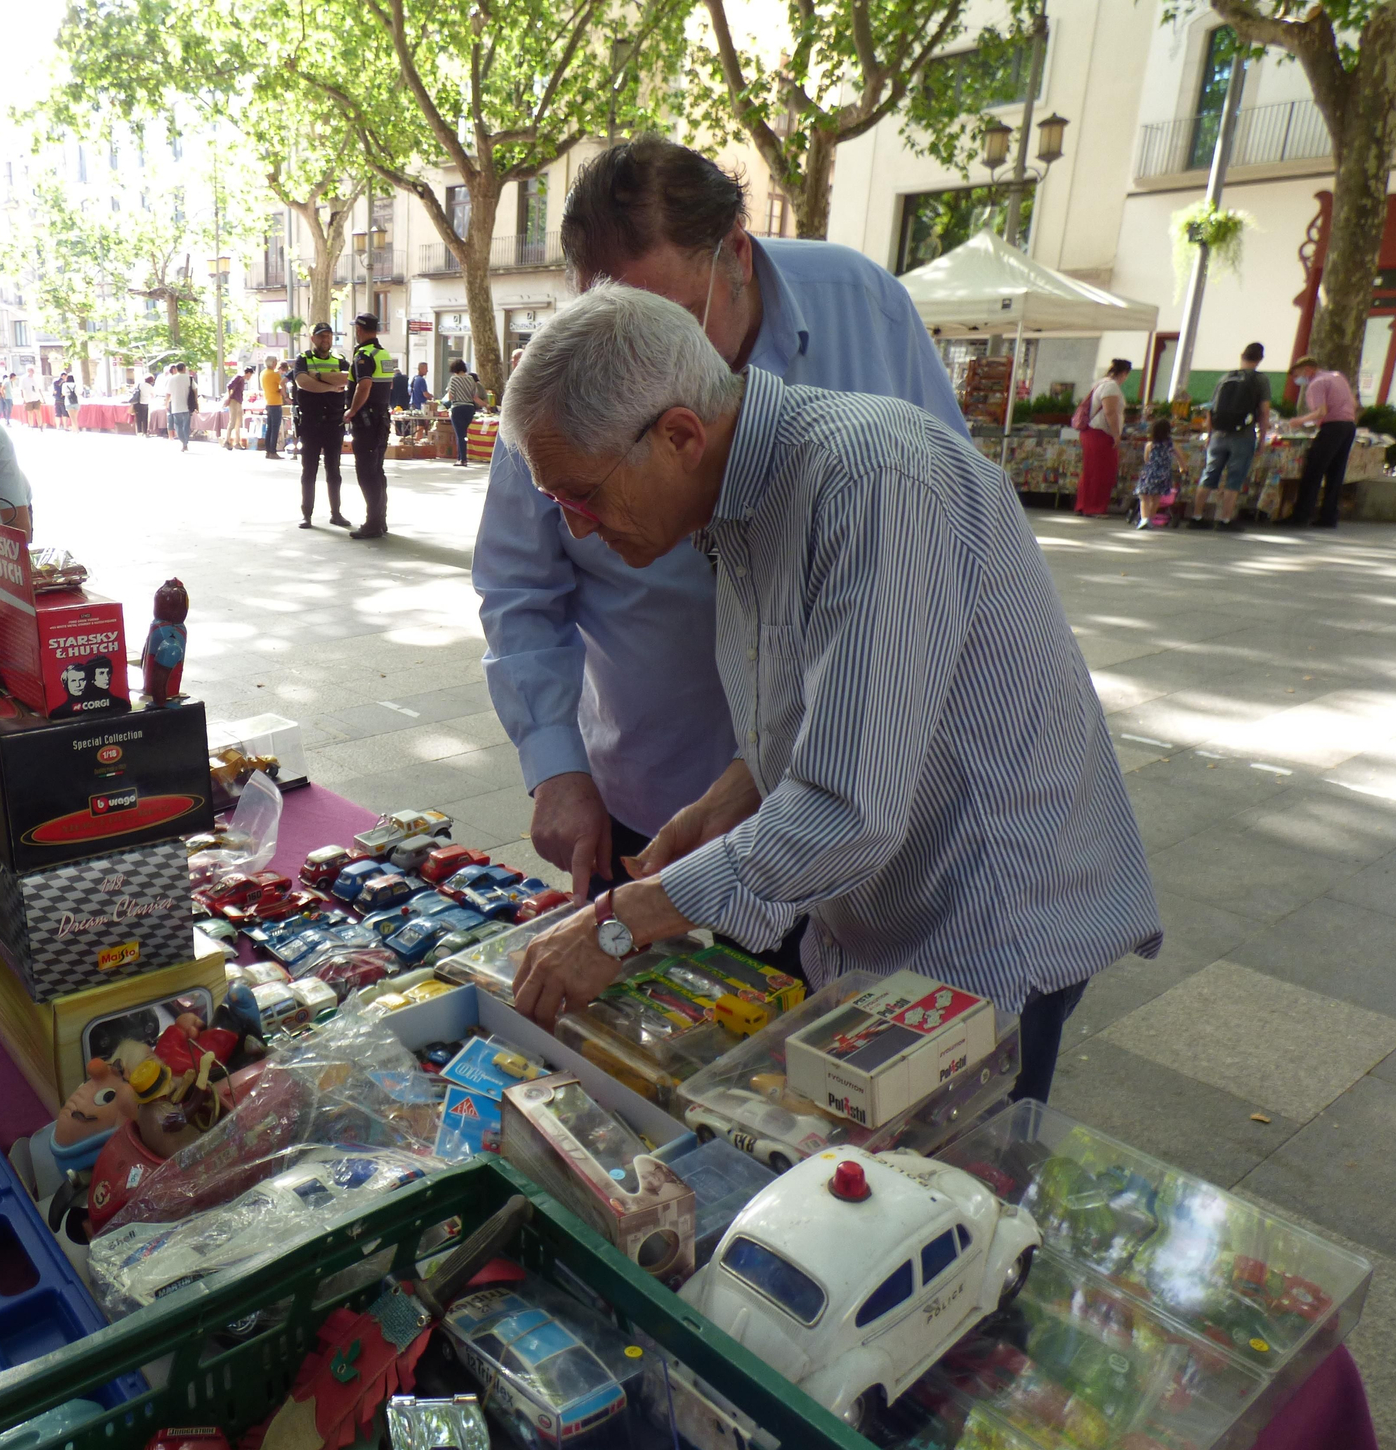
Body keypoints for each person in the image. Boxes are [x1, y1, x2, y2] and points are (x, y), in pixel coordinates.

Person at [500, 284, 1161, 1105]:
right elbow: (836, 695)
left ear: (678, 436)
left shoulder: (873, 481)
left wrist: (623, 919)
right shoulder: (740, 500)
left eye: (582, 495)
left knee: (946, 1197)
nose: (577, 528)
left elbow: (849, 805)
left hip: (985, 922)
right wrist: (731, 796)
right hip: (883, 916)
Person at [475, 137, 970, 920]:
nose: (639, 361)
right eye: (607, 320)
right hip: (660, 782)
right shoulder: (575, 368)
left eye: (662, 321)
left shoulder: (870, 364)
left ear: (735, 255)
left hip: (865, 817)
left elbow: (851, 786)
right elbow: (518, 586)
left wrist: (634, 921)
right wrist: (556, 765)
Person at [1187, 342, 1272, 531]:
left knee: (1209, 475)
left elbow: (1211, 408)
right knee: (1234, 478)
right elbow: (1264, 412)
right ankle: (1225, 520)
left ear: (1242, 356)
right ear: (1259, 360)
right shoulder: (1261, 380)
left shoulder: (1225, 377)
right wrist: (1262, 438)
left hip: (1219, 434)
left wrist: (1210, 434)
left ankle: (1196, 516)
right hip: (1243, 435)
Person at [1289, 355, 1358, 529]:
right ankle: (1329, 516)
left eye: (1298, 375)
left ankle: (1301, 515)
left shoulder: (1316, 383)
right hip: (1348, 426)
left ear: (1307, 370)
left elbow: (1321, 411)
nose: (1298, 380)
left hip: (1332, 427)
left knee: (1314, 471)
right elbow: (1354, 403)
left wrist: (1299, 421)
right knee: (1336, 472)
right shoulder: (1337, 376)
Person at [293, 324, 351, 528]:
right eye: (321, 336)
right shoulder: (303, 359)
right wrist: (331, 386)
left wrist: (316, 377)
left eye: (328, 336)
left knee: (333, 470)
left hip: (334, 423)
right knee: (308, 470)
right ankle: (306, 515)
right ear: (313, 339)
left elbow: (346, 379)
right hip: (310, 422)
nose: (325, 340)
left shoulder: (341, 361)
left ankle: (336, 513)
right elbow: (302, 382)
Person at [346, 312, 395, 539]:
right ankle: (380, 520)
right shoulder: (383, 354)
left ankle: (373, 523)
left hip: (367, 422)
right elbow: (388, 385)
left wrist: (352, 410)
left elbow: (364, 385)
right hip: (382, 420)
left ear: (359, 330)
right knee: (377, 471)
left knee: (366, 472)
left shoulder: (364, 355)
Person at [1074, 358, 1130, 518]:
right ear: (1124, 373)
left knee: (1090, 470)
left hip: (1092, 432)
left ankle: (1084, 504)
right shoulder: (1111, 387)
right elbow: (1110, 412)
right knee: (1102, 471)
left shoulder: (1100, 384)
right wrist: (1116, 434)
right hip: (1101, 433)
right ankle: (1095, 507)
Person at [1132, 417, 1178, 531]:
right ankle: (1150, 519)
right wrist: (1182, 467)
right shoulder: (1171, 445)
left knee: (1144, 497)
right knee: (1156, 499)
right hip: (1164, 474)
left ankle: (1144, 519)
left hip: (1150, 473)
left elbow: (1146, 459)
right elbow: (1180, 457)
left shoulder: (1150, 445)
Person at [445, 360, 481, 466]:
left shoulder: (454, 379)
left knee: (460, 435)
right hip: (469, 408)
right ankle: (461, 457)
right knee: (464, 434)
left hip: (457, 408)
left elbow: (451, 396)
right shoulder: (471, 379)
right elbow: (475, 396)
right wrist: (486, 405)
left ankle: (462, 459)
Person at [260, 355, 287, 460]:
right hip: (275, 402)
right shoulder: (274, 374)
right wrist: (285, 396)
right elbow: (282, 385)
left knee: (269, 427)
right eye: (275, 362)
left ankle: (268, 450)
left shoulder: (263, 373)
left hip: (268, 401)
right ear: (273, 363)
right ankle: (273, 451)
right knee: (275, 428)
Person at [163, 363, 194, 450]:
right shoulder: (189, 378)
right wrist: (196, 403)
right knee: (186, 425)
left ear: (176, 369)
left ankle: (183, 442)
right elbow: (195, 390)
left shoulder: (171, 379)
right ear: (184, 368)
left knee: (178, 426)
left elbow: (168, 393)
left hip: (176, 406)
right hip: (187, 405)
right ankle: (185, 442)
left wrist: (166, 404)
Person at [225, 368, 247, 450]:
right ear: (248, 373)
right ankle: (227, 441)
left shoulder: (242, 379)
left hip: (238, 401)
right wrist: (228, 397)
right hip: (234, 401)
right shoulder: (239, 377)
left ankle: (237, 442)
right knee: (233, 421)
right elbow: (229, 386)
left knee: (238, 422)